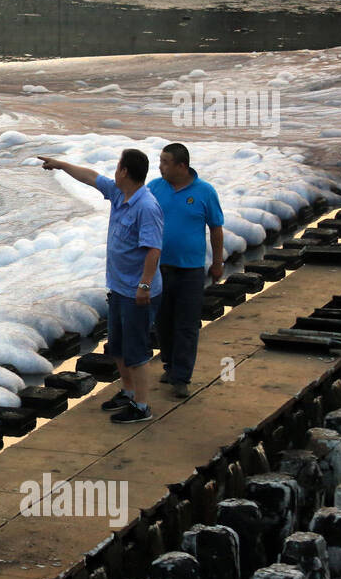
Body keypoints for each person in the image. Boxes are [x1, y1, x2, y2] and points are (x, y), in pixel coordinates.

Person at [38, 149, 163, 423]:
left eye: (118, 166)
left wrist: (144, 285)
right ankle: (128, 393)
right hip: (119, 287)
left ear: (125, 172)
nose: (114, 171)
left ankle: (142, 407)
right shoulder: (121, 194)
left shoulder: (146, 206)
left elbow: (154, 249)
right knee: (117, 346)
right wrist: (60, 165)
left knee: (136, 350)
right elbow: (91, 177)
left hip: (137, 292)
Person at [146, 142, 225, 398]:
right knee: (163, 322)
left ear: (182, 166)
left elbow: (215, 227)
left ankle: (181, 377)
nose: (160, 166)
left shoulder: (205, 192)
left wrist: (217, 262)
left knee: (187, 325)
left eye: (165, 162)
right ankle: (170, 365)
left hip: (190, 270)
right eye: (160, 160)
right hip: (159, 268)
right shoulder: (155, 188)